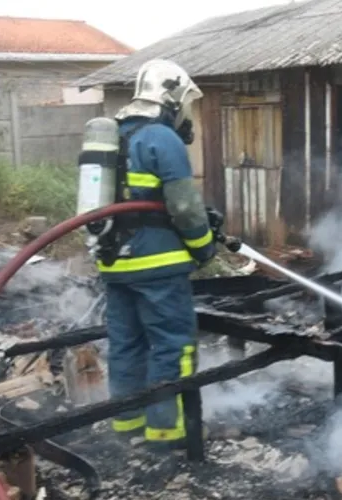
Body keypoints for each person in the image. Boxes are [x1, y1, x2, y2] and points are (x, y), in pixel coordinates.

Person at [100, 59, 216, 450]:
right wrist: (204, 248)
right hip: (158, 265)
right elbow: (184, 207)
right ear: (173, 97)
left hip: (114, 262)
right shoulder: (161, 138)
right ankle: (170, 433)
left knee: (126, 344)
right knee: (172, 345)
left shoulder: (114, 135)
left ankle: (127, 425)